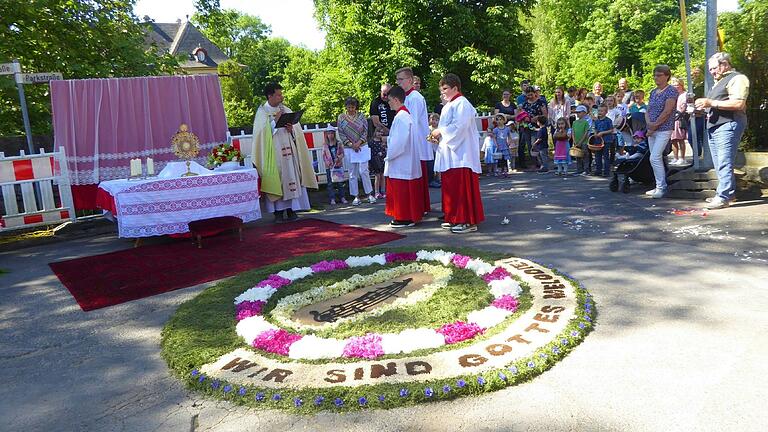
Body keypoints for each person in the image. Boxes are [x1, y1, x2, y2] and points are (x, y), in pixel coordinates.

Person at [251, 82, 318, 223]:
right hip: (273, 155)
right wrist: (275, 121)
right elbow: (260, 136)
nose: (282, 97)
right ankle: (278, 213)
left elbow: (297, 132)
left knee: (291, 176)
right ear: (270, 96)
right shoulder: (262, 113)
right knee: (278, 180)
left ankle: (291, 209)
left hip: (289, 151)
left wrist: (291, 130)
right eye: (279, 94)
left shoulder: (286, 109)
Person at [430, 73, 485, 234]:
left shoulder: (462, 104)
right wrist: (438, 137)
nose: (443, 92)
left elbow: (459, 128)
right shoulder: (449, 105)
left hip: (461, 155)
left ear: (455, 88)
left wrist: (440, 131)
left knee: (461, 188)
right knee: (451, 188)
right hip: (451, 154)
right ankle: (454, 217)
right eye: (441, 89)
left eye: (445, 89)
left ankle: (465, 220)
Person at [695, 52, 750, 209]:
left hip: (729, 124)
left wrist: (710, 102)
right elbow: (715, 105)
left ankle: (723, 196)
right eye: (710, 69)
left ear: (725, 64)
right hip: (715, 125)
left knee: (724, 162)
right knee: (720, 163)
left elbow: (738, 104)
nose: (712, 72)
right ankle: (728, 195)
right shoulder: (717, 82)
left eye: (714, 68)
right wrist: (700, 110)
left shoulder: (737, 78)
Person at [383, 85, 424, 227]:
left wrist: (390, 154)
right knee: (405, 190)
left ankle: (404, 217)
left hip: (401, 159)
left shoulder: (401, 117)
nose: (388, 103)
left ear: (395, 100)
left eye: (389, 100)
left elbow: (399, 142)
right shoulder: (406, 116)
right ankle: (406, 216)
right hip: (406, 158)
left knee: (402, 190)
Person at [396, 67, 433, 212]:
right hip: (412, 143)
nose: (398, 83)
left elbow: (413, 121)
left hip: (415, 143)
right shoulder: (406, 97)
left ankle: (419, 207)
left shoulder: (415, 98)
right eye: (397, 80)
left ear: (410, 80)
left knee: (417, 178)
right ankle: (420, 206)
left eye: (401, 79)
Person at [645, 64, 679, 199]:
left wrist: (655, 125)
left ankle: (661, 187)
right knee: (653, 158)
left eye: (659, 75)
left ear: (667, 76)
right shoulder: (653, 92)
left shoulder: (671, 91)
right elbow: (648, 110)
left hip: (664, 129)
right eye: (654, 75)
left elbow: (667, 111)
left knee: (655, 157)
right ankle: (658, 184)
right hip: (651, 129)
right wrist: (649, 123)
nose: (655, 78)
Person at [338, 96, 376, 206]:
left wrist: (358, 143)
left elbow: (365, 131)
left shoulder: (361, 116)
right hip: (349, 148)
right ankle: (355, 196)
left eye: (353, 107)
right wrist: (351, 144)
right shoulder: (341, 118)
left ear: (356, 107)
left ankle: (369, 194)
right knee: (352, 173)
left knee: (364, 171)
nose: (350, 109)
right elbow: (341, 133)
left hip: (362, 146)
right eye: (348, 107)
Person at [518, 87, 548, 170]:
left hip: (537, 127)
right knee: (529, 145)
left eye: (531, 94)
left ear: (534, 93)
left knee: (536, 144)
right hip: (527, 127)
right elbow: (521, 115)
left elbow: (545, 115)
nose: (530, 96)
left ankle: (541, 163)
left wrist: (537, 117)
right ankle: (534, 163)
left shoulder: (540, 102)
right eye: (528, 95)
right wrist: (524, 118)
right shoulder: (525, 104)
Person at [321, 127, 347, 205]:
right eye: (329, 134)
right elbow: (324, 155)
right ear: (327, 135)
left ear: (334, 134)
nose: (330, 135)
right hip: (330, 167)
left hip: (338, 166)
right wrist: (328, 163)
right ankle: (332, 198)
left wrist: (339, 158)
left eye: (332, 133)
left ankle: (342, 197)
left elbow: (342, 153)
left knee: (340, 182)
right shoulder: (325, 145)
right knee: (330, 183)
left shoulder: (338, 143)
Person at [669, 77, 689, 167]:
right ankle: (675, 157)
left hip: (681, 118)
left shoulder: (685, 94)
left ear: (681, 85)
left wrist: (681, 113)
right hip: (671, 118)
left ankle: (682, 158)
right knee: (673, 139)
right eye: (674, 85)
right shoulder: (671, 95)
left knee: (681, 139)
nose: (676, 87)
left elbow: (686, 106)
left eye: (677, 85)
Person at [593, 104, 616, 177]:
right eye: (599, 111)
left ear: (606, 112)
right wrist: (595, 133)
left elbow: (611, 130)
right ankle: (598, 170)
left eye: (601, 111)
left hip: (606, 140)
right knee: (597, 156)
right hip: (598, 141)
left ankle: (606, 171)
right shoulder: (596, 121)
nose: (600, 112)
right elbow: (595, 128)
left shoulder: (608, 120)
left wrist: (602, 133)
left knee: (606, 156)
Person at [572, 105, 591, 175]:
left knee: (585, 156)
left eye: (579, 112)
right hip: (576, 142)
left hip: (584, 142)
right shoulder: (574, 122)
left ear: (584, 113)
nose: (577, 114)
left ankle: (586, 170)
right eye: (577, 112)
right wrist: (574, 141)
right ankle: (579, 169)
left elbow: (586, 133)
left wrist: (581, 141)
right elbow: (573, 132)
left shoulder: (586, 122)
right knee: (578, 156)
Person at [369, 127, 387, 199]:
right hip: (375, 161)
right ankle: (376, 192)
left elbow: (385, 151)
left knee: (382, 176)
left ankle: (383, 191)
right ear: (375, 132)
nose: (380, 133)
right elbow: (370, 152)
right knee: (377, 176)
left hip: (382, 160)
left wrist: (382, 153)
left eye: (381, 132)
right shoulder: (371, 142)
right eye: (378, 132)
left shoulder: (382, 142)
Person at [428, 113, 442, 186]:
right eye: (432, 119)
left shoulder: (439, 129)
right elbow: (427, 137)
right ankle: (434, 177)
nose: (434, 121)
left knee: (439, 164)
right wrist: (431, 139)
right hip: (431, 149)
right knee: (432, 164)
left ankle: (439, 178)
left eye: (436, 120)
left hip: (438, 149)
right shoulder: (429, 128)